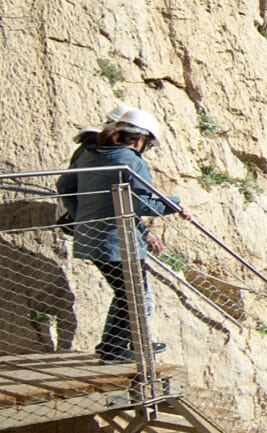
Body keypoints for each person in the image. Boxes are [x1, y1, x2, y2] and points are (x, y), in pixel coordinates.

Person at [61, 104, 180, 362]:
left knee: (126, 293)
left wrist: (81, 214)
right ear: (140, 140)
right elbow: (142, 203)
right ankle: (115, 350)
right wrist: (175, 204)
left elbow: (65, 186)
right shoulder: (130, 162)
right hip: (118, 241)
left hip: (90, 236)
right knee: (133, 293)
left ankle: (116, 346)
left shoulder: (91, 154)